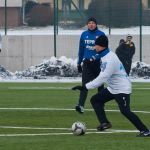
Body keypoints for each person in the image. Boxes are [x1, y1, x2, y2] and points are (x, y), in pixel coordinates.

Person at [72, 35, 150, 137]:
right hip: (113, 88)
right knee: (95, 100)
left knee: (125, 111)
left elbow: (102, 78)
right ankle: (105, 123)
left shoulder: (110, 59)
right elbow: (99, 56)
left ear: (101, 46)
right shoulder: (106, 53)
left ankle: (145, 131)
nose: (94, 47)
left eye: (96, 45)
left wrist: (85, 87)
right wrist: (91, 59)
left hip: (122, 88)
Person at [76, 17, 105, 113]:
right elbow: (81, 50)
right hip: (87, 63)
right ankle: (81, 105)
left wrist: (100, 59)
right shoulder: (84, 35)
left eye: (93, 23)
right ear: (87, 24)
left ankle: (101, 104)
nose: (91, 24)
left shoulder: (101, 34)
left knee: (100, 85)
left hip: (98, 63)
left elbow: (104, 50)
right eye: (89, 23)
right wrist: (79, 63)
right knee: (85, 84)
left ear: (96, 24)